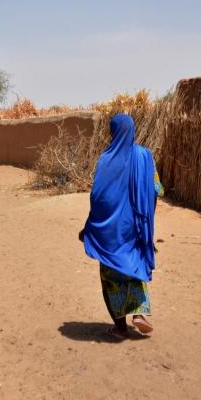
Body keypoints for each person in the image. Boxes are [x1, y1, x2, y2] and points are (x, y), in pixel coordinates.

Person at [80, 113, 163, 340]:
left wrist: (90, 227)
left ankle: (120, 326)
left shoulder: (105, 160)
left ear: (112, 132)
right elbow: (157, 190)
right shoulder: (145, 156)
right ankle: (138, 312)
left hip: (110, 232)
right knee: (133, 268)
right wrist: (146, 219)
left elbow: (98, 197)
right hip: (136, 226)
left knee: (111, 275)